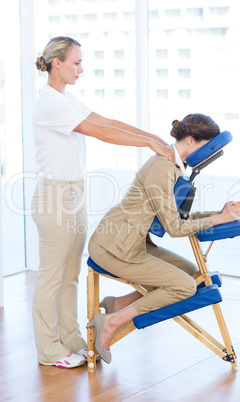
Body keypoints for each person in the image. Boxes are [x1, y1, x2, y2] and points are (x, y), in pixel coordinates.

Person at [31, 36, 174, 369]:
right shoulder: (49, 103)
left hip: (73, 192)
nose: (81, 68)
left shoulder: (66, 99)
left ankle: (70, 338)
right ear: (57, 63)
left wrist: (152, 137)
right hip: (54, 197)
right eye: (76, 62)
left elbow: (107, 122)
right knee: (51, 276)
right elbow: (101, 133)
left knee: (69, 274)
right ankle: (48, 349)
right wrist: (149, 145)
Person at [88, 113, 240, 364]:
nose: (210, 156)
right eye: (208, 148)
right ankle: (111, 321)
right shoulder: (163, 167)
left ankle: (119, 303)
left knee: (193, 276)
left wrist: (217, 214)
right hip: (112, 247)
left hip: (133, 242)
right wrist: (217, 220)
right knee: (183, 286)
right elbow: (173, 227)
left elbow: (176, 216)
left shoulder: (174, 166)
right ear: (192, 140)